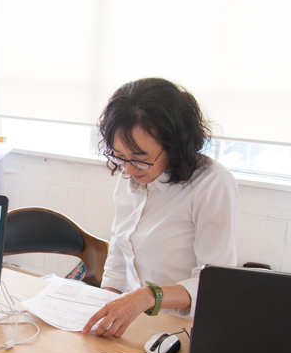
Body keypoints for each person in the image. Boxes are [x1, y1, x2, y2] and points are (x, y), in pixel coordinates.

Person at [83, 77, 238, 338]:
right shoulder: (131, 175)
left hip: (184, 331)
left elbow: (215, 285)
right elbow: (119, 253)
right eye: (120, 156)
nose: (128, 169)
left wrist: (149, 296)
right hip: (134, 326)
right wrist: (107, 303)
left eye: (140, 158)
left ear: (174, 145)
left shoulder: (211, 183)